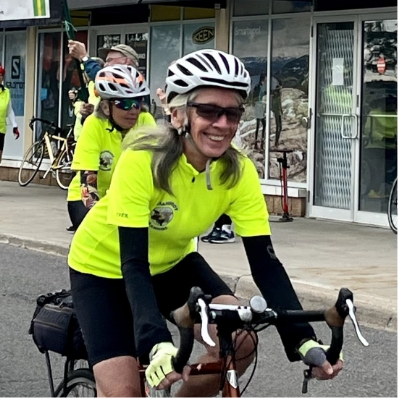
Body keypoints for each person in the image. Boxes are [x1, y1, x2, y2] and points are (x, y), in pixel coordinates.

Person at [68, 49, 343, 397]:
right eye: (209, 111)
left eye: (232, 113)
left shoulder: (238, 171)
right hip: (103, 270)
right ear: (180, 113)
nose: (223, 124)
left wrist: (304, 340)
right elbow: (133, 264)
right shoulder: (142, 161)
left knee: (242, 339)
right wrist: (156, 343)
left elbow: (266, 264)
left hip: (173, 266)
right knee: (125, 392)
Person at [66, 65, 156, 232]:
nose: (134, 110)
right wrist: (100, 219)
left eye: (137, 102)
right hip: (89, 196)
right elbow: (87, 182)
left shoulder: (145, 120)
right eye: (125, 103)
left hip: (129, 198)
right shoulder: (94, 124)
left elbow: (157, 167)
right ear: (106, 107)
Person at [68, 57, 105, 142]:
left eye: (86, 71)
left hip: (91, 136)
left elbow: (94, 106)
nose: (83, 74)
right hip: (83, 135)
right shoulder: (87, 87)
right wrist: (76, 99)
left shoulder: (95, 86)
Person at [0, 64, 20, 164]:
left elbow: (9, 110)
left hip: (1, 130)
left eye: (0, 75)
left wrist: (15, 125)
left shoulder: (6, 92)